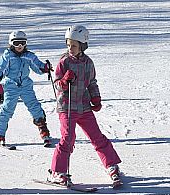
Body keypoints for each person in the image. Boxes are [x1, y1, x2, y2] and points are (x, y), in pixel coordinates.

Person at [47, 25, 122, 186]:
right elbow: (57, 85)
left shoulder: (89, 63)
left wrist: (96, 98)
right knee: (68, 138)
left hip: (84, 106)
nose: (70, 48)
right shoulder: (64, 62)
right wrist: (64, 80)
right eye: (68, 45)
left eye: (73, 45)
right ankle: (57, 172)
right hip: (66, 107)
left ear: (82, 45)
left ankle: (111, 165)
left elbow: (92, 83)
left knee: (97, 136)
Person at [0, 30, 52, 146]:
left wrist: (45, 68)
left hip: (25, 86)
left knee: (35, 106)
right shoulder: (7, 56)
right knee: (7, 109)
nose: (20, 46)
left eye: (22, 43)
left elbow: (37, 66)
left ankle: (43, 129)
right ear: (11, 44)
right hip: (11, 86)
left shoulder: (29, 56)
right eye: (16, 43)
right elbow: (2, 69)